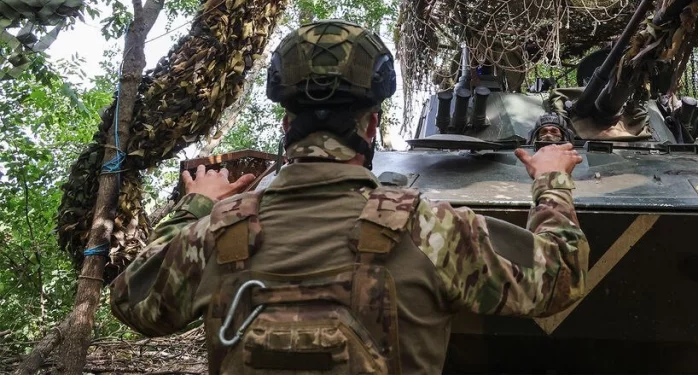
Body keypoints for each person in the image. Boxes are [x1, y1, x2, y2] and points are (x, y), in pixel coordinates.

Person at [110, 20, 589, 374]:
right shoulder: (432, 229)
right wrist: (550, 180)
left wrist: (199, 205)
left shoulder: (216, 234)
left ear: (285, 128)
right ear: (371, 127)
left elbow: (133, 300)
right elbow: (559, 276)